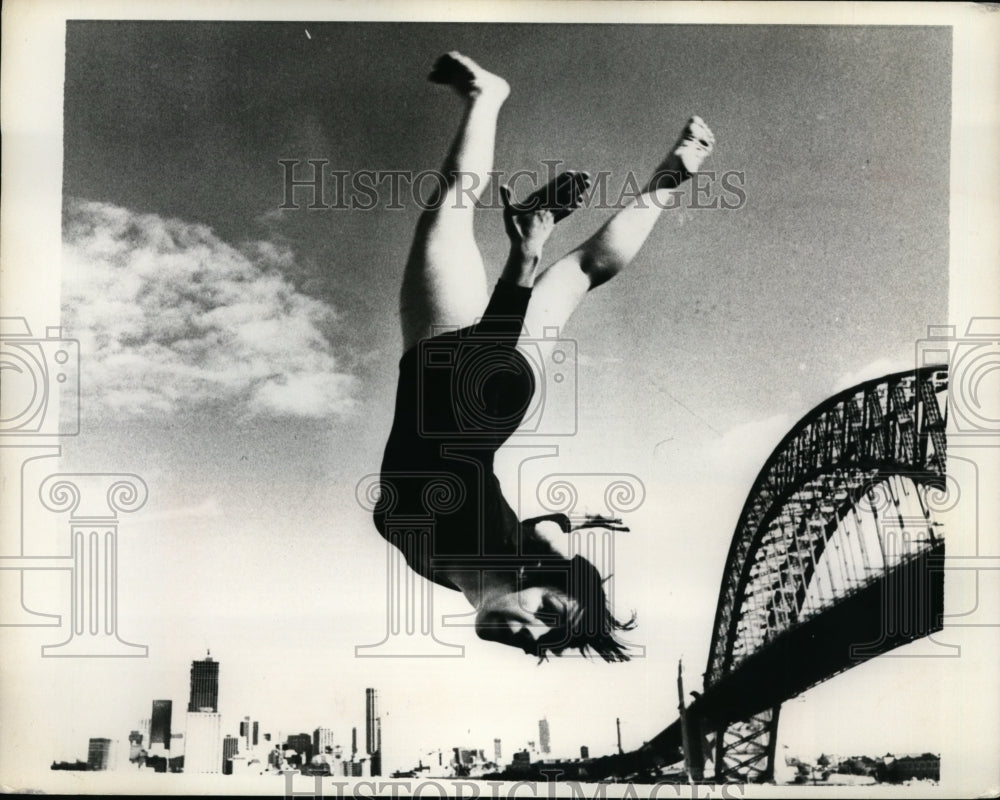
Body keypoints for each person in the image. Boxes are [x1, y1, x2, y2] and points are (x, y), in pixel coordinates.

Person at [374, 52, 715, 661]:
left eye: (542, 640)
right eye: (546, 616)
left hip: (462, 381)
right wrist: (521, 263)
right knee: (465, 221)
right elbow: (467, 442)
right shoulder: (491, 559)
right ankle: (525, 231)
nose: (527, 632)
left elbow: (542, 530)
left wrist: (571, 521)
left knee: (577, 273)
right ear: (542, 584)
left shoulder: (487, 570)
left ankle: (666, 175)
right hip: (472, 393)